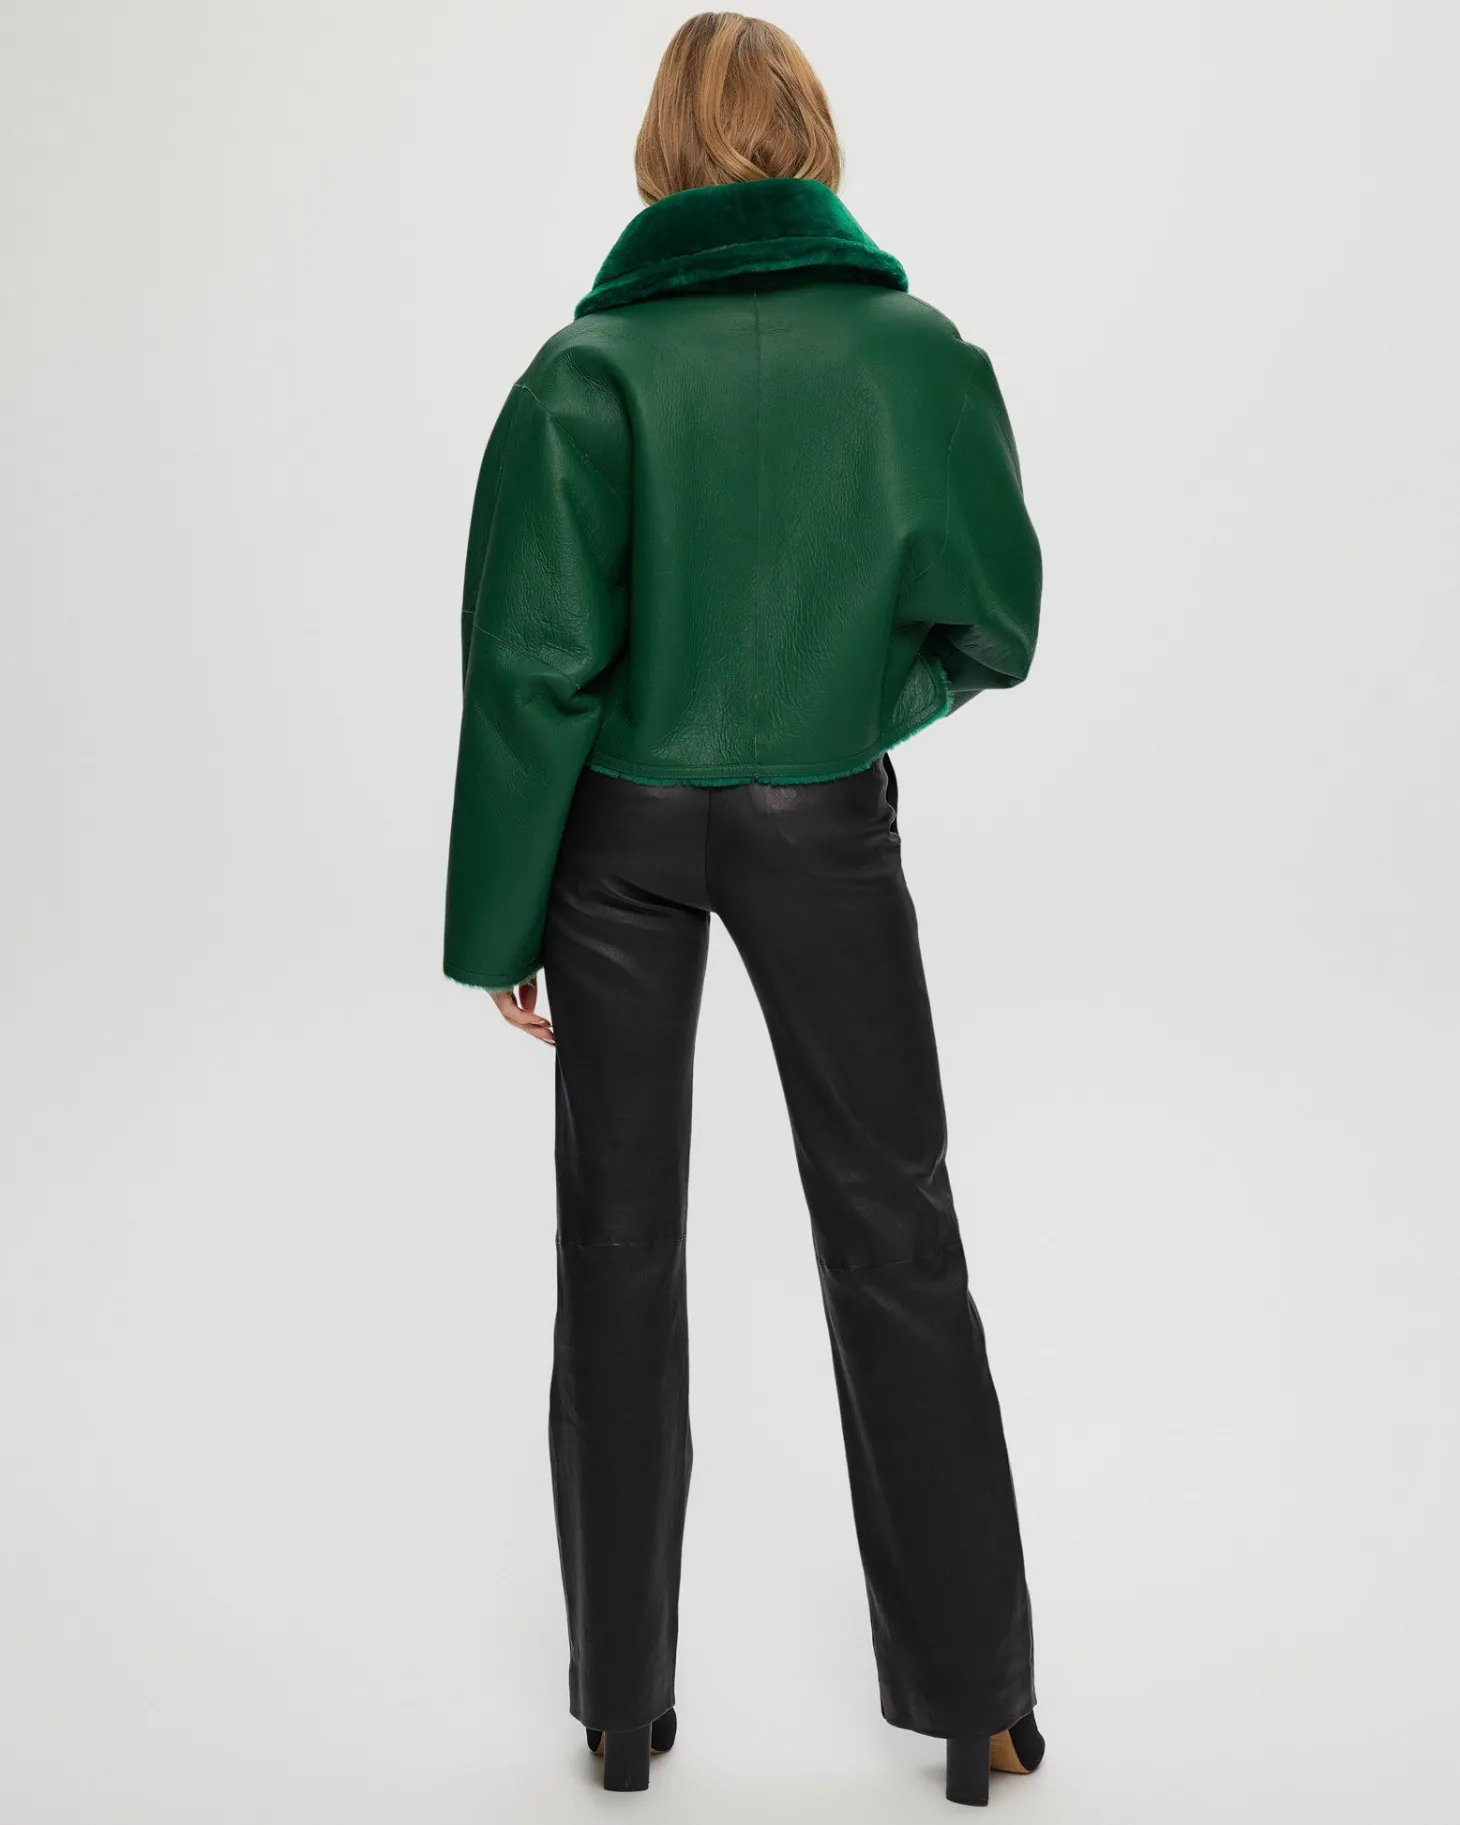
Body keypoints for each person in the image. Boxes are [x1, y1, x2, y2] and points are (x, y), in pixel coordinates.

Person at [442, 12, 1045, 1806]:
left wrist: (500, 923)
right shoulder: (916, 355)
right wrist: (844, 713)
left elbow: (530, 664)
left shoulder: (585, 371)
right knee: (895, 1232)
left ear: (662, 150)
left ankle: (621, 1712)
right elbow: (995, 621)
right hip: (822, 824)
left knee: (614, 1251)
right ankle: (979, 1708)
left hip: (617, 835)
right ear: (812, 137)